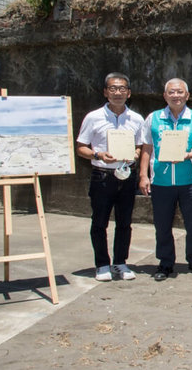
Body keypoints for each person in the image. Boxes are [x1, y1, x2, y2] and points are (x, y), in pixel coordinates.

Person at [75, 72, 144, 281]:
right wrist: (98, 155)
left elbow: (140, 146)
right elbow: (81, 148)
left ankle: (121, 262)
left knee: (124, 222)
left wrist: (136, 154)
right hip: (102, 175)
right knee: (99, 222)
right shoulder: (93, 117)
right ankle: (102, 264)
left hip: (127, 175)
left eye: (122, 89)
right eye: (113, 89)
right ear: (105, 92)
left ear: (129, 93)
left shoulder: (136, 119)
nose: (118, 93)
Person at [139, 78, 192, 281]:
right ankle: (165, 262)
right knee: (162, 225)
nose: (176, 95)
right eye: (171, 92)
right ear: (165, 95)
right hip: (161, 181)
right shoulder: (153, 118)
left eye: (180, 92)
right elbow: (146, 148)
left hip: (190, 180)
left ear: (187, 96)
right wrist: (143, 175)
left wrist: (189, 154)